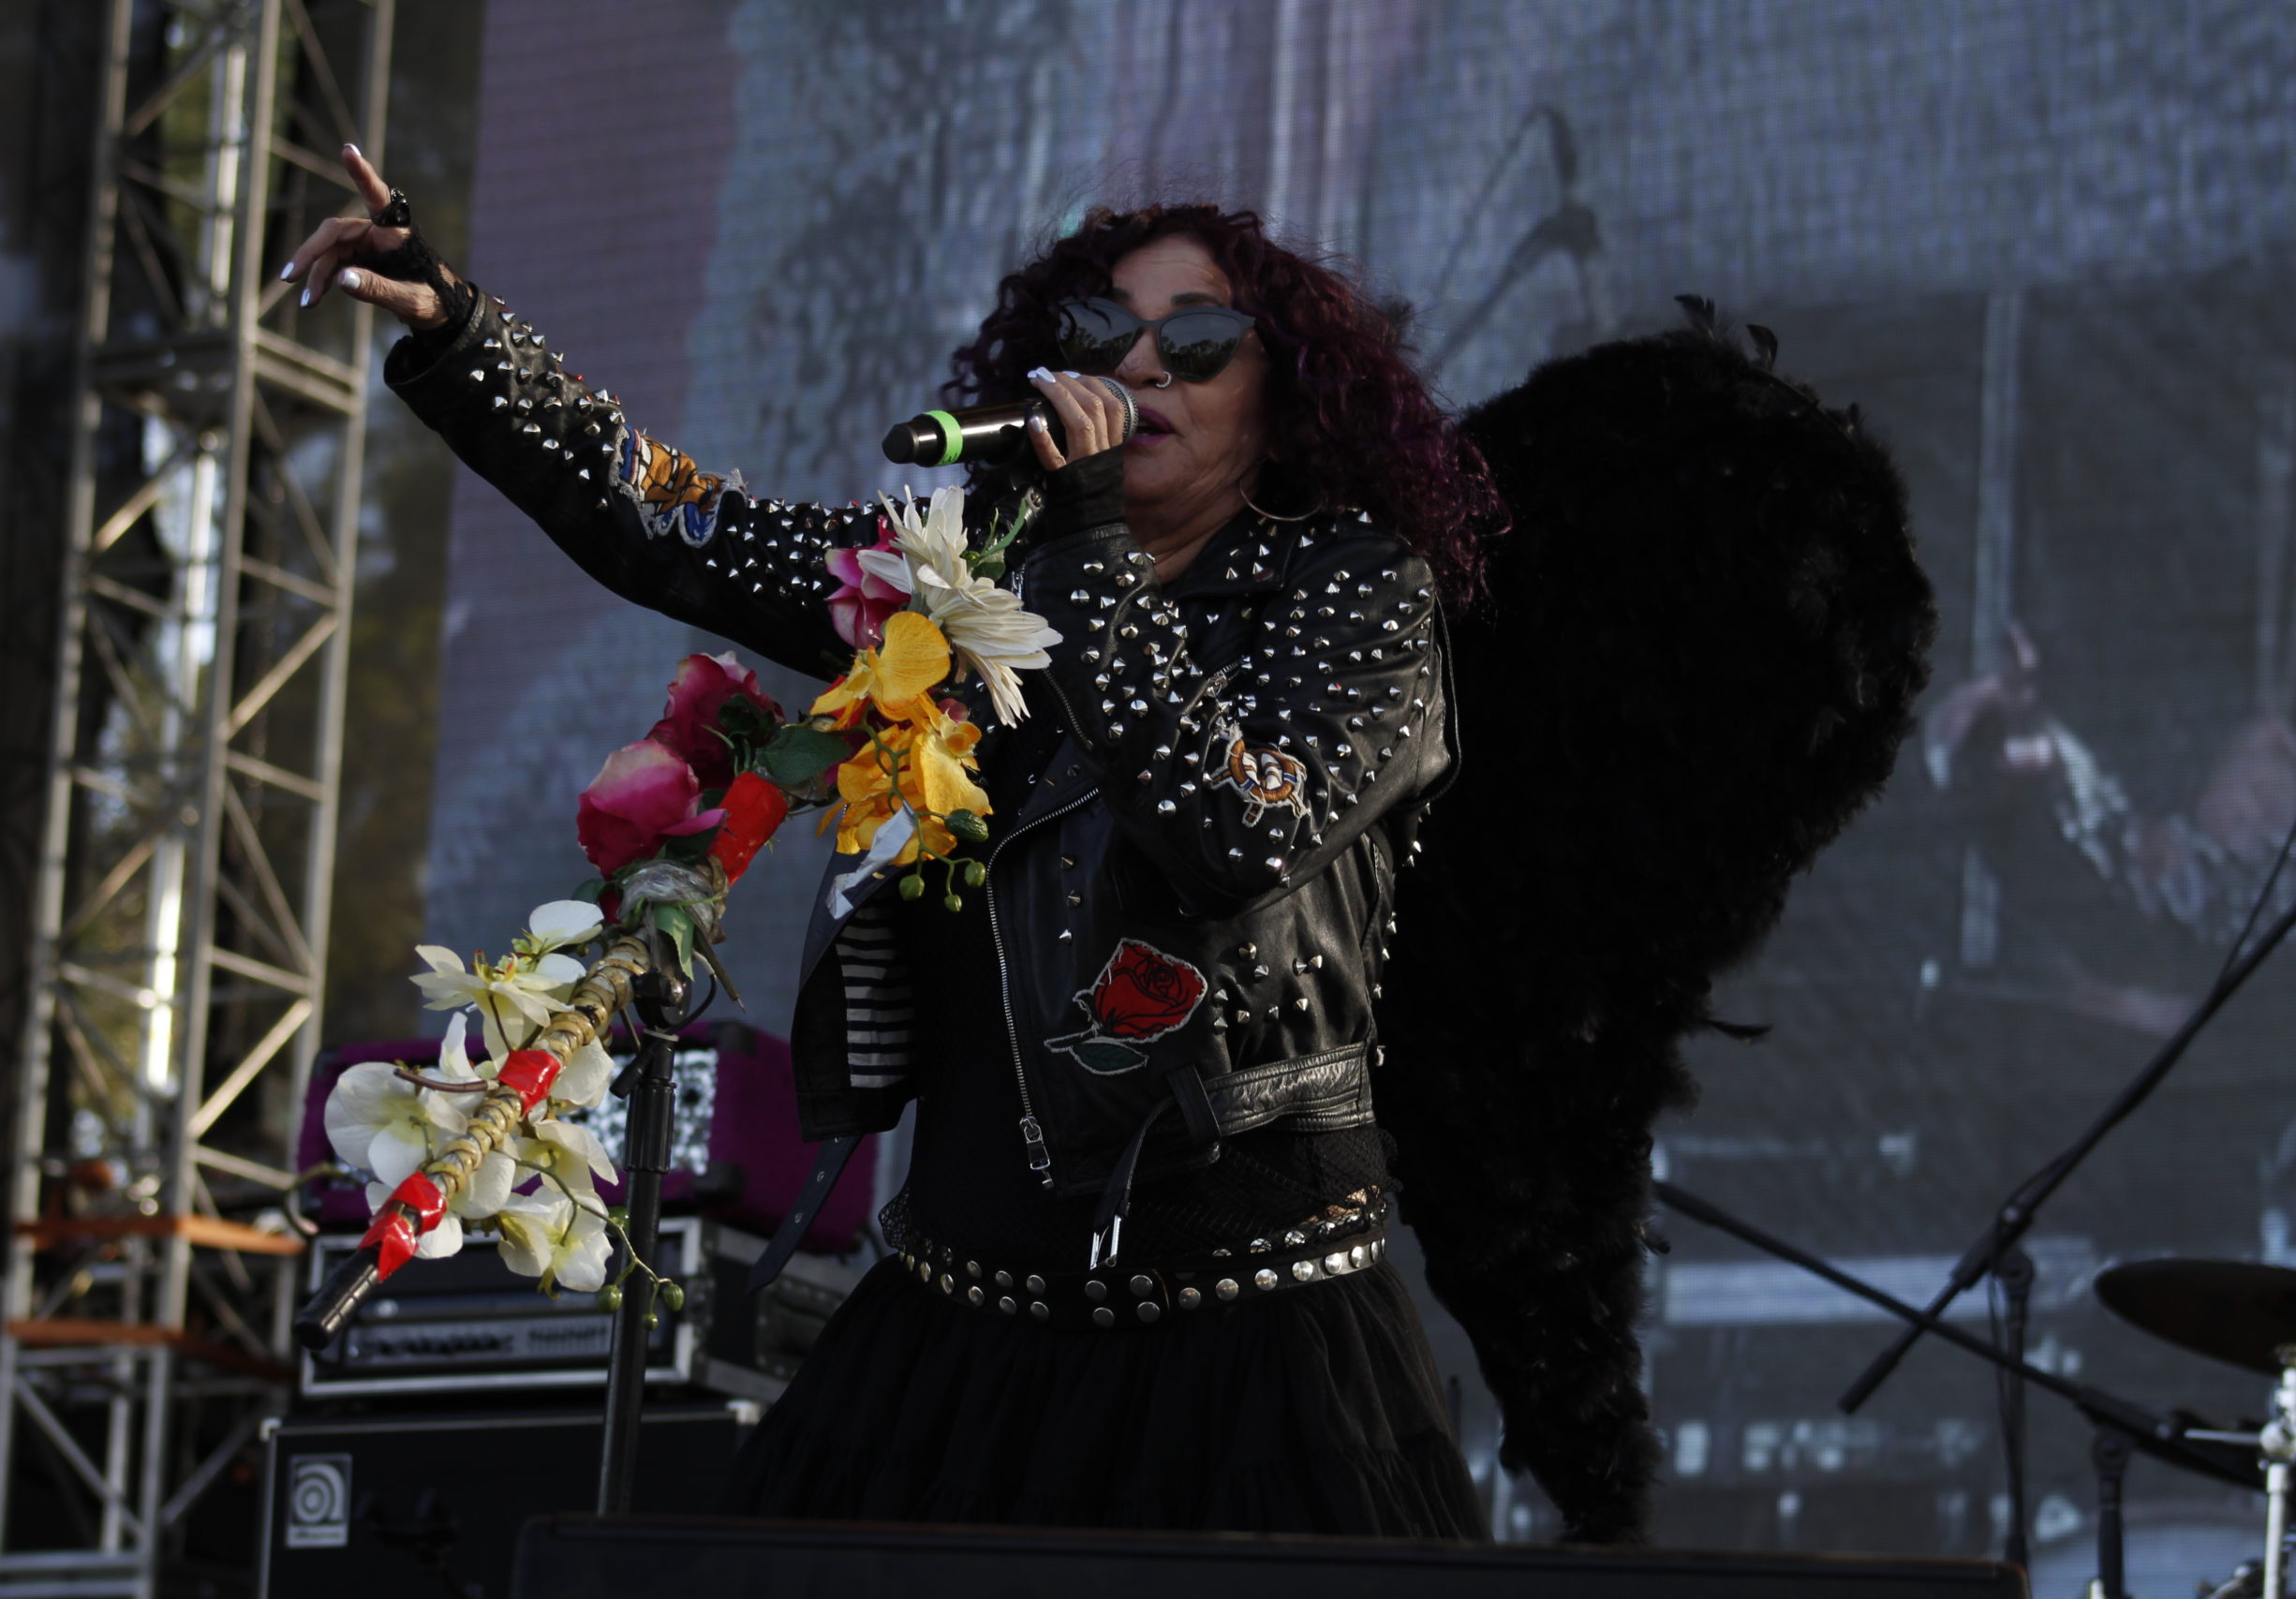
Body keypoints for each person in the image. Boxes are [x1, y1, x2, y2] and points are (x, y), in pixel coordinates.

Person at [289, 144, 1503, 1536]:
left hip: (1247, 1327)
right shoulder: (958, 575)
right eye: (1101, 331)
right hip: (964, 1318)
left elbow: (1233, 830)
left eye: (1198, 342)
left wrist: (1088, 541)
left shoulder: (1354, 585)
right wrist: (461, 333)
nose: (1138, 367)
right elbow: (681, 526)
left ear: (1283, 391)